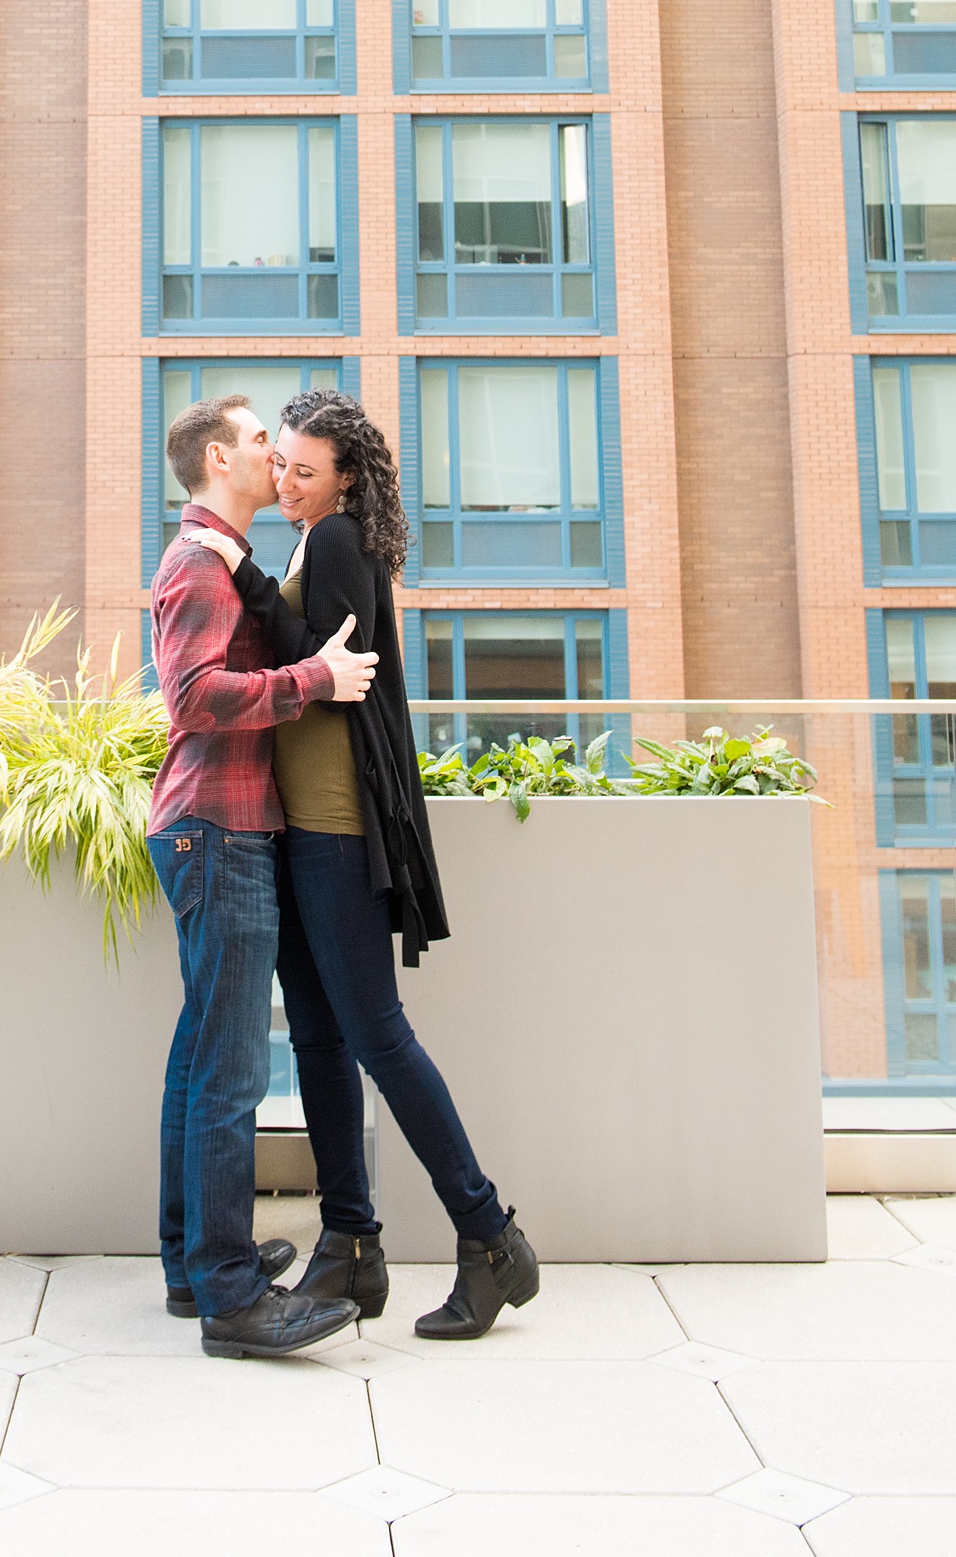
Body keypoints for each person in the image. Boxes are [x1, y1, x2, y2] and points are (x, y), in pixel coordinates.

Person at [185, 388, 541, 1343]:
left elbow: (329, 667)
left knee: (375, 1033)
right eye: (284, 464)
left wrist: (243, 572)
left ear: (345, 475)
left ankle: (489, 1233)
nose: (291, 480)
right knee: (315, 1038)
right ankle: (350, 1237)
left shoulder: (338, 540)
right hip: (296, 824)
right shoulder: (313, 541)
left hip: (338, 824)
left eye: (308, 469)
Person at [147, 389, 381, 1361]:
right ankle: (233, 1300)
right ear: (214, 462)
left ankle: (192, 1265)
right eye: (255, 444)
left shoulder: (222, 560)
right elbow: (195, 697)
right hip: (220, 830)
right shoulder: (199, 564)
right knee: (231, 1071)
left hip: (216, 828)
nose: (272, 458)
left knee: (202, 1056)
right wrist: (313, 683)